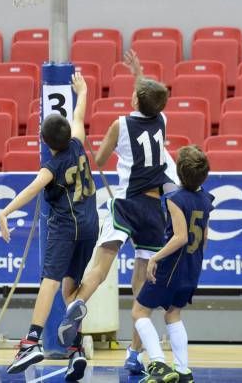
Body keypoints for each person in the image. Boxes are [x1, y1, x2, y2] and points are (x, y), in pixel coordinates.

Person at [59, 50, 178, 375]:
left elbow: (96, 160)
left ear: (136, 102)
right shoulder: (162, 120)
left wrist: (86, 145)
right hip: (154, 210)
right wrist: (139, 72)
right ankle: (134, 353)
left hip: (126, 202)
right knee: (142, 284)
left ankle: (77, 304)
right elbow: (150, 99)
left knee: (99, 266)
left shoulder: (120, 124)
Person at [0, 72, 98, 381]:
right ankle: (76, 350)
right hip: (91, 223)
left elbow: (31, 189)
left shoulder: (51, 166)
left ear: (44, 141)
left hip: (66, 226)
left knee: (50, 282)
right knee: (70, 289)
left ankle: (30, 341)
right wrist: (83, 91)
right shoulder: (78, 143)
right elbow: (79, 114)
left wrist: (5, 211)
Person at [132, 145, 214, 383]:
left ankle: (158, 364)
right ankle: (183, 370)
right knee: (173, 313)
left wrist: (155, 258)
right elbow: (204, 237)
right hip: (193, 265)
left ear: (178, 172)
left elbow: (180, 237)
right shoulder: (206, 199)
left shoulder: (174, 199)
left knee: (139, 311)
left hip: (172, 266)